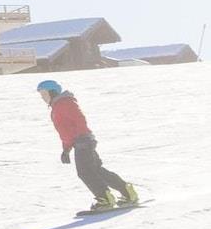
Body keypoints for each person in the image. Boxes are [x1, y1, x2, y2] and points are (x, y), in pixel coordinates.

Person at [39, 80, 138, 212]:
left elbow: (80, 120)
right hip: (81, 141)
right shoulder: (58, 105)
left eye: (44, 94)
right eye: (41, 95)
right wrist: (66, 149)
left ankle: (104, 199)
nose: (42, 97)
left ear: (53, 92)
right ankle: (127, 192)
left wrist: (81, 138)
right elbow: (66, 131)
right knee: (96, 170)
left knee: (85, 172)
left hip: (83, 141)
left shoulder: (64, 103)